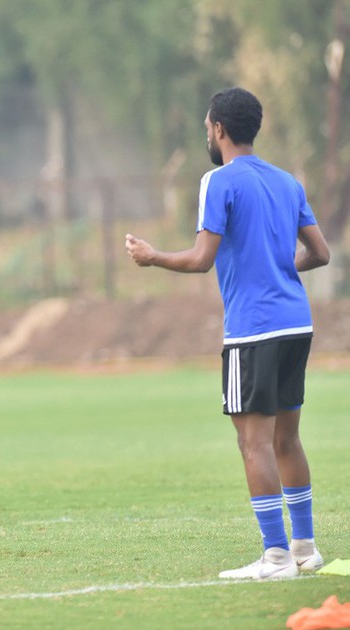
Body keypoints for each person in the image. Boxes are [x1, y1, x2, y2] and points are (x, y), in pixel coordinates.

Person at [125, 87, 330, 580]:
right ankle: (305, 548)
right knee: (288, 438)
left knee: (252, 442)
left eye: (206, 128)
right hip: (296, 323)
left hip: (253, 329)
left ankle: (276, 556)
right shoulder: (287, 182)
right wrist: (281, 272)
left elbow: (200, 260)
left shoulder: (218, 181)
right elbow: (320, 253)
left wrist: (152, 258)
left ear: (218, 129)